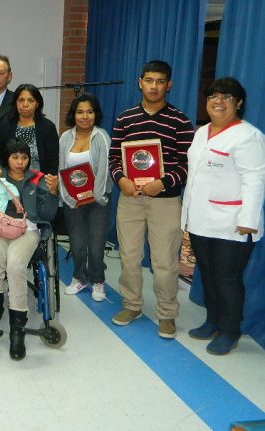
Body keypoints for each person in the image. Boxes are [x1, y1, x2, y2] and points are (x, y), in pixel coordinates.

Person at [108, 60, 194, 338]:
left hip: (165, 201)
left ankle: (167, 314)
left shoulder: (180, 121)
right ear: (140, 82)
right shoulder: (125, 118)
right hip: (130, 199)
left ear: (168, 85)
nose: (154, 86)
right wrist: (121, 179)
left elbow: (186, 164)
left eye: (160, 81)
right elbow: (113, 158)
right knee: (129, 256)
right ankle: (132, 305)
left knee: (164, 261)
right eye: (149, 80)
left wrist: (163, 182)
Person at [181, 77, 265, 355]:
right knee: (207, 273)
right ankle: (212, 321)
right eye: (213, 96)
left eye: (226, 97)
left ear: (238, 103)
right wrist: (187, 218)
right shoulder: (201, 132)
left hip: (232, 223)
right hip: (200, 220)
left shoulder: (248, 136)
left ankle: (230, 330)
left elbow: (255, 180)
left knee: (227, 278)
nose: (218, 101)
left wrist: (248, 220)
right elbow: (194, 178)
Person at [0, 138, 58, 360]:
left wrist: (52, 193)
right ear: (6, 159)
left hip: (27, 230)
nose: (20, 162)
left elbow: (48, 215)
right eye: (15, 157)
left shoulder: (37, 180)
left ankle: (17, 331)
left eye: (24, 157)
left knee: (15, 265)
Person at [46, 93, 112, 301]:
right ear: (73, 115)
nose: (85, 116)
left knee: (96, 245)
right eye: (80, 112)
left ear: (96, 114)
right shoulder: (65, 138)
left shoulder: (101, 136)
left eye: (90, 112)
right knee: (77, 243)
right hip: (73, 201)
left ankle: (98, 281)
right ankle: (80, 278)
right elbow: (61, 170)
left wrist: (97, 195)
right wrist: (67, 197)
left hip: (98, 201)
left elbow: (105, 168)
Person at [0, 83, 59, 175]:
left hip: (39, 183)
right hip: (10, 184)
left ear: (37, 104)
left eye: (30, 100)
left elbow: (53, 160)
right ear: (15, 103)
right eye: (21, 100)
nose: (25, 104)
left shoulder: (47, 127)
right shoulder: (5, 125)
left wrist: (49, 183)